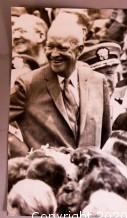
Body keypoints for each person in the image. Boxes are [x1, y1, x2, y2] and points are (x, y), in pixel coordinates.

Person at [9, 21, 111, 150]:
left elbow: (105, 136)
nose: (54, 54)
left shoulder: (97, 81)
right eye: (50, 47)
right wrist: (20, 151)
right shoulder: (29, 84)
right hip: (47, 168)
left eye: (62, 48)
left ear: (80, 49)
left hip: (88, 167)